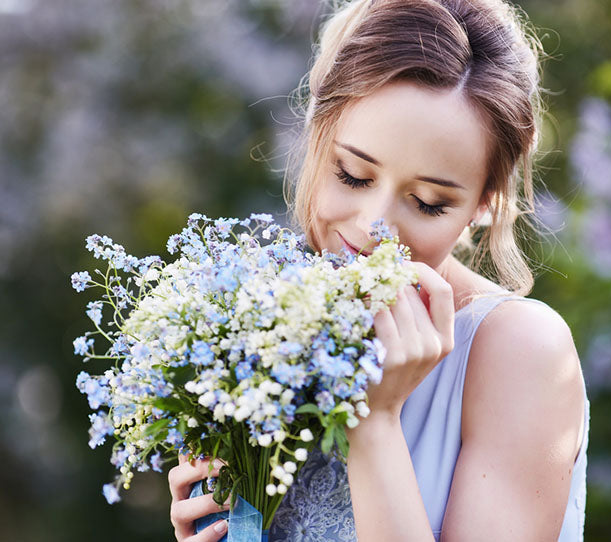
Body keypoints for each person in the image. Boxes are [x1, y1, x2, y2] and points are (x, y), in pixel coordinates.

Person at [168, 0, 588, 540]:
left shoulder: (520, 350)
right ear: (317, 135)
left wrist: (374, 420)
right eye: (352, 174)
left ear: (485, 201)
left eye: (429, 201)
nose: (373, 227)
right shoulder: (257, 325)